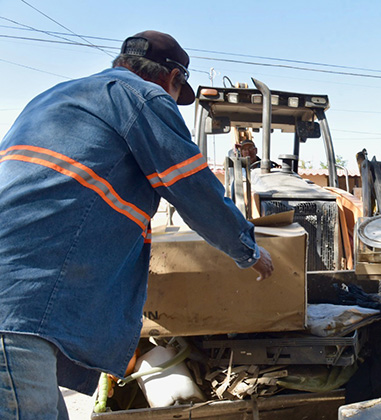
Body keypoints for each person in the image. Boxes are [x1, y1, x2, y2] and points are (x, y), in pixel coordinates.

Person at [0, 30, 273, 419]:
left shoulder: (56, 97)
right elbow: (190, 185)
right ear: (173, 78)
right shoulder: (143, 96)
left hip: (19, 300)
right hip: (20, 305)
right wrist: (248, 251)